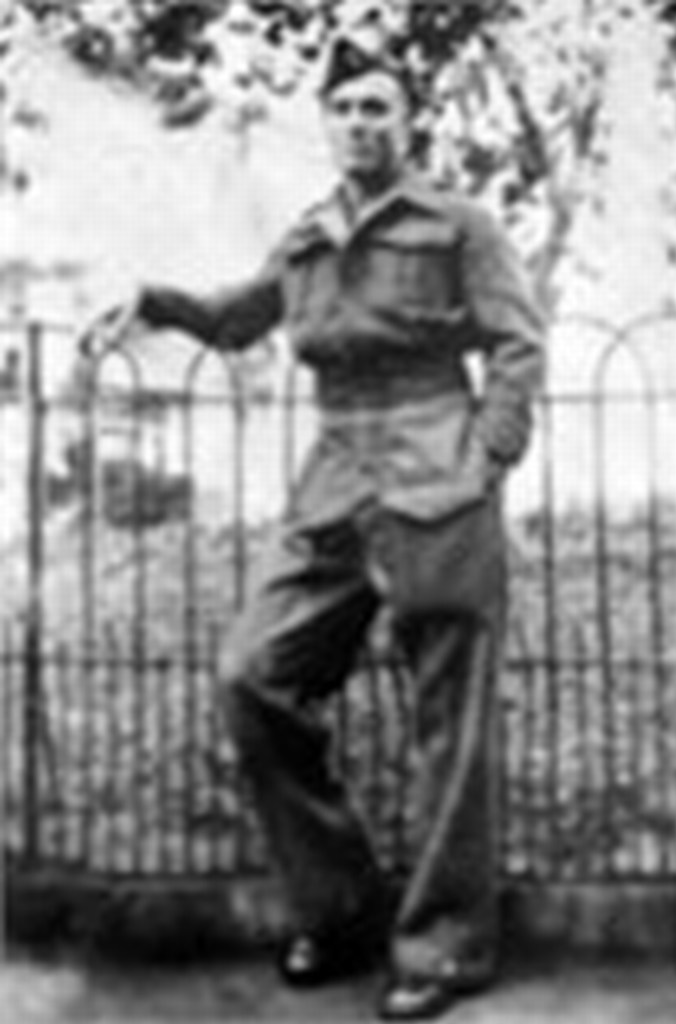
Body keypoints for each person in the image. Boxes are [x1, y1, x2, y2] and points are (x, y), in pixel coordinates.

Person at [134, 31, 545, 1022]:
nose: (361, 123)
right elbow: (241, 315)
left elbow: (516, 346)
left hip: (435, 467)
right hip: (333, 476)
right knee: (252, 675)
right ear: (326, 122)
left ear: (409, 122)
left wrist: (483, 461)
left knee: (450, 723)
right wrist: (153, 304)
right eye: (346, 108)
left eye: (378, 107)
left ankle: (444, 948)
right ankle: (342, 907)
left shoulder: (458, 224)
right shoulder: (311, 233)